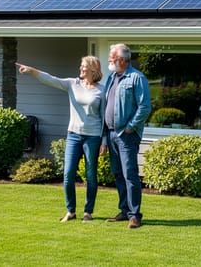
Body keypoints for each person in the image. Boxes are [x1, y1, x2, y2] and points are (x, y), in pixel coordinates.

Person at [16, 56, 105, 223]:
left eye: (84, 66)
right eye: (81, 65)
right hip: (73, 134)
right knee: (68, 174)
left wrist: (104, 141)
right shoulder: (72, 84)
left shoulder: (102, 90)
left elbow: (104, 117)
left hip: (93, 136)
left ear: (93, 70)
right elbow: (51, 79)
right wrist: (32, 71)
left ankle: (88, 211)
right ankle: (70, 211)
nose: (81, 68)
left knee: (91, 175)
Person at [101, 43, 151, 229]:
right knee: (118, 174)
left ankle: (135, 215)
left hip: (126, 135)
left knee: (130, 174)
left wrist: (131, 127)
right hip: (112, 133)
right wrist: (105, 137)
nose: (109, 61)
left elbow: (144, 106)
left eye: (111, 58)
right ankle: (124, 210)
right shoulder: (112, 77)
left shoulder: (137, 78)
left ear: (121, 60)